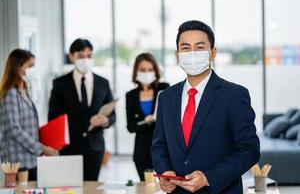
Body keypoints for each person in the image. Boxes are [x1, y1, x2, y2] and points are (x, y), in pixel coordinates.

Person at [151, 20, 260, 193]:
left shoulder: (234, 95)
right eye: (186, 48)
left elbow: (249, 150)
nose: (192, 53)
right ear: (177, 54)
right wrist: (164, 171)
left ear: (213, 53)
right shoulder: (166, 97)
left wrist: (209, 177)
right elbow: (159, 145)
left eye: (200, 47)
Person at [48, 39, 116, 180]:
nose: (85, 60)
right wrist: (87, 122)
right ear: (71, 56)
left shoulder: (103, 83)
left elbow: (113, 115)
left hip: (95, 148)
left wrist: (105, 121)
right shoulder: (60, 83)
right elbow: (54, 118)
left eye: (89, 56)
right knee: (71, 189)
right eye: (80, 56)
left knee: (92, 188)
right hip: (70, 148)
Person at [0, 49, 58, 180]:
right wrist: (42, 148)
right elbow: (14, 129)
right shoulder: (11, 94)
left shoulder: (24, 91)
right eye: (29, 66)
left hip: (30, 158)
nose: (32, 70)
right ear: (17, 67)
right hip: (17, 160)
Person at [126, 53, 169, 181]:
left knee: (169, 186)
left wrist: (151, 120)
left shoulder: (164, 88)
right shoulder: (131, 95)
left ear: (155, 71)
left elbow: (171, 117)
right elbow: (130, 126)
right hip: (142, 151)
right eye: (142, 70)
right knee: (147, 187)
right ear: (136, 72)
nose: (146, 73)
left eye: (150, 70)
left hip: (164, 149)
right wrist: (147, 121)